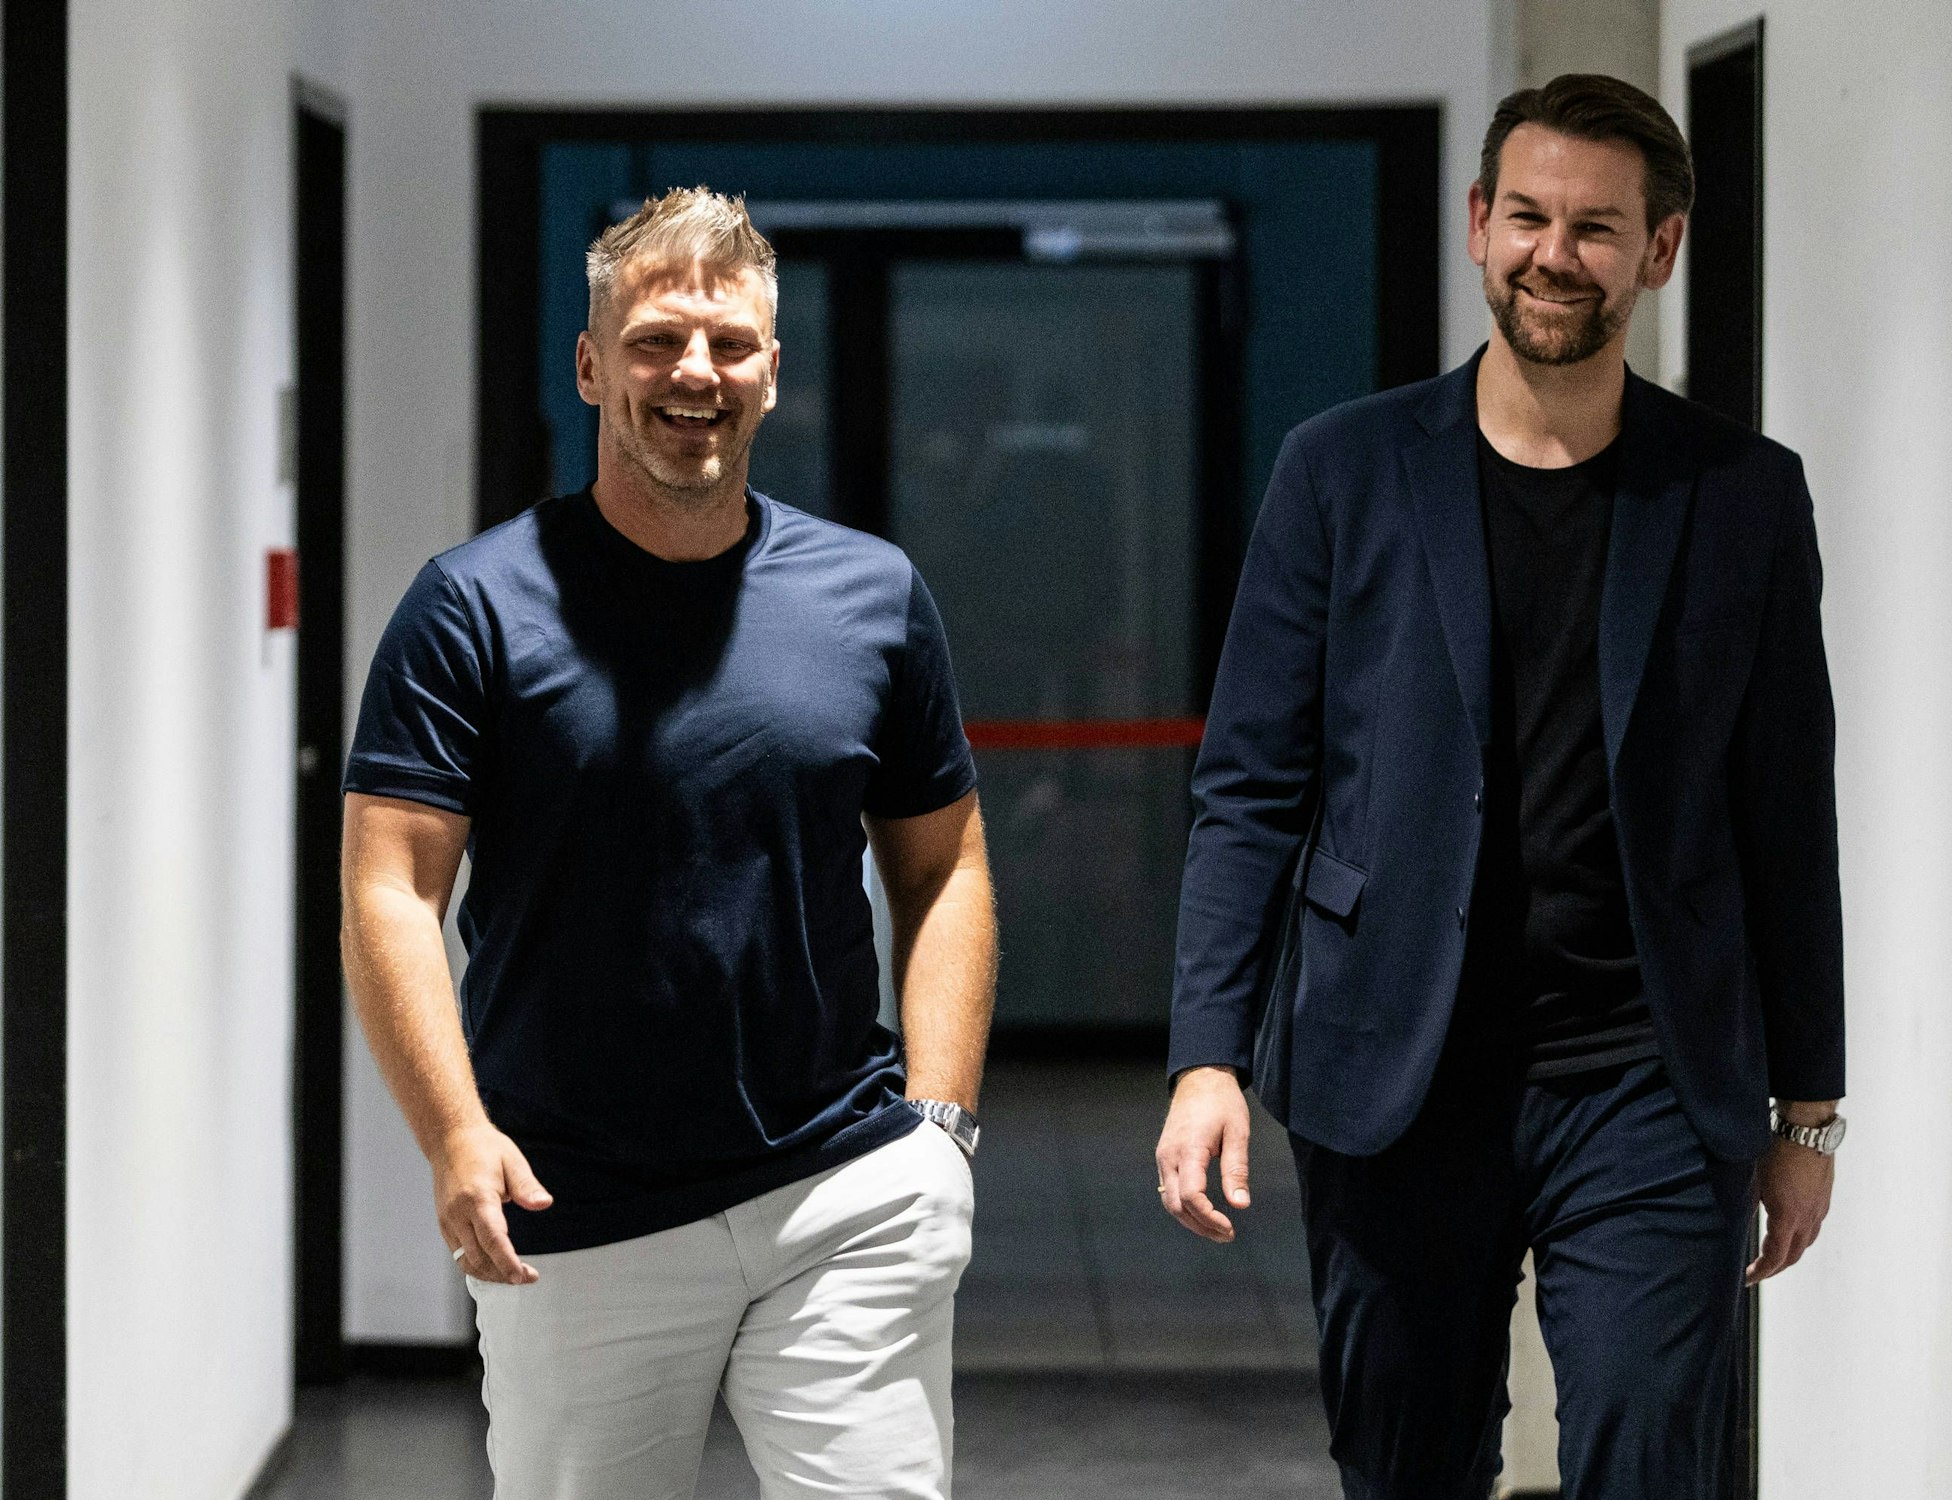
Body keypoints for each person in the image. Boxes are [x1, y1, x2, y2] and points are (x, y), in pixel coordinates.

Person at [1156, 75, 1845, 1499]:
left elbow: (1787, 817)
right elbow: (1250, 789)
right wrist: (1206, 1054)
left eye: (1596, 227)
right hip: (1393, 1071)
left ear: (1659, 250)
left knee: (1649, 1458)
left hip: (1650, 1080)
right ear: (1478, 224)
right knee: (1406, 1466)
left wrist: (1809, 1113)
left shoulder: (1742, 496)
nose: (1554, 254)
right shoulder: (1341, 471)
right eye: (1528, 216)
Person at [341, 187, 996, 1500]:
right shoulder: (473, 605)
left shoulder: (871, 595)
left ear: (770, 371)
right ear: (593, 366)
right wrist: (453, 1133)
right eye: (655, 342)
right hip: (576, 1210)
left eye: (729, 344)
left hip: (846, 1189)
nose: (696, 372)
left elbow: (946, 868)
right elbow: (391, 888)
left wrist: (940, 1126)